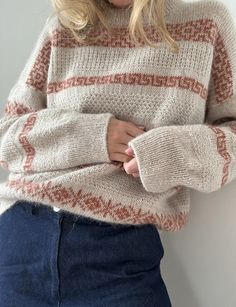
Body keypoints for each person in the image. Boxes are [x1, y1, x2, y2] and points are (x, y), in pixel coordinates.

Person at [0, 0, 236, 305]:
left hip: (120, 252)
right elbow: (7, 137)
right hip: (23, 237)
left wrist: (169, 152)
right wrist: (93, 135)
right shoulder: (64, 26)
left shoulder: (206, 22)